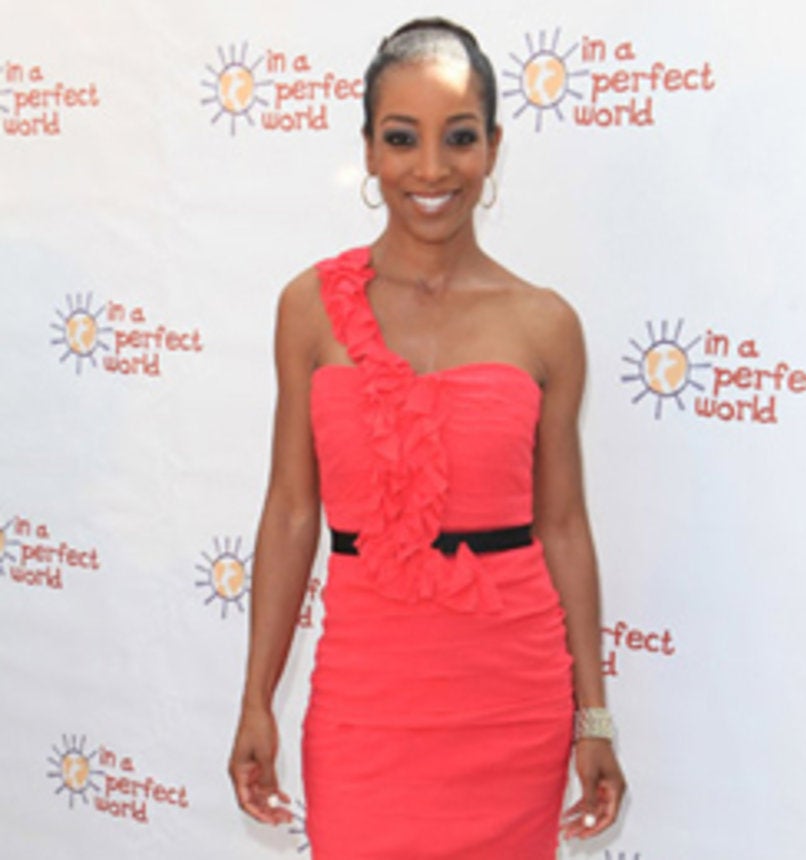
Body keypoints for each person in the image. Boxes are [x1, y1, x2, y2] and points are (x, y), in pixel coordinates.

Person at [229, 17, 625, 858]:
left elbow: (562, 526)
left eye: (461, 137)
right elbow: (293, 511)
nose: (433, 169)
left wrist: (593, 716)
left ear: (494, 147)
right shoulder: (310, 308)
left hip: (512, 701)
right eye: (403, 138)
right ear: (369, 151)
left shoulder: (546, 324)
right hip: (365, 698)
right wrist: (256, 698)